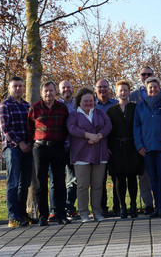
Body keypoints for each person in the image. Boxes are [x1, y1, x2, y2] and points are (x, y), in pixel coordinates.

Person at [27, 81, 70, 226]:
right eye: (46, 91)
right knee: (40, 183)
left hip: (58, 147)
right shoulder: (34, 108)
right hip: (40, 148)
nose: (48, 94)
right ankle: (43, 216)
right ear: (41, 93)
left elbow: (66, 128)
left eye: (51, 91)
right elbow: (29, 129)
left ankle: (61, 214)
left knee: (59, 182)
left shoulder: (62, 108)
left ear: (55, 92)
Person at [67, 87, 112, 222]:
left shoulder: (99, 113)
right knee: (82, 185)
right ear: (79, 101)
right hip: (81, 154)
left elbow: (108, 125)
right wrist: (88, 135)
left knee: (98, 185)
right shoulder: (74, 115)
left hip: (99, 152)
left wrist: (98, 136)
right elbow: (72, 128)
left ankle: (97, 212)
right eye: (85, 101)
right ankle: (84, 213)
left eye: (91, 100)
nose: (88, 103)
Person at [134, 77, 161, 218]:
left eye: (155, 87)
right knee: (153, 178)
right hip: (147, 149)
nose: (152, 89)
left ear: (160, 88)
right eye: (150, 87)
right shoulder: (140, 106)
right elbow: (137, 127)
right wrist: (139, 145)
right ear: (146, 89)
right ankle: (157, 207)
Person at [129, 67, 161, 215]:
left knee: (160, 175)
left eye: (149, 74)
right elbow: (136, 123)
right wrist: (139, 144)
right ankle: (148, 204)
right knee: (144, 176)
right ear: (139, 77)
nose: (146, 76)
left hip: (160, 144)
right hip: (142, 144)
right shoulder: (133, 96)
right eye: (143, 74)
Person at [0, 76, 33, 228]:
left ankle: (22, 215)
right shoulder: (4, 106)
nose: (18, 88)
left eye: (20, 86)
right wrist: (20, 143)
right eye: (15, 86)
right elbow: (5, 128)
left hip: (28, 147)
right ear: (9, 88)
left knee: (24, 183)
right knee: (13, 182)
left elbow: (32, 126)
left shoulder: (27, 106)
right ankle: (13, 217)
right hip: (12, 148)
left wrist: (29, 143)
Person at [107, 80, 144, 219]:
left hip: (133, 146)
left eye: (125, 90)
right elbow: (108, 131)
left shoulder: (136, 108)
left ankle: (133, 205)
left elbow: (140, 126)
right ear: (116, 92)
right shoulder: (111, 110)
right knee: (120, 178)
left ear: (129, 92)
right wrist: (107, 147)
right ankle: (123, 206)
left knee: (132, 176)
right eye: (120, 90)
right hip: (116, 147)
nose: (123, 93)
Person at [49, 80, 78, 221]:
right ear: (59, 90)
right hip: (58, 146)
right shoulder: (55, 105)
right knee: (56, 180)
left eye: (68, 87)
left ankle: (69, 207)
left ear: (72, 89)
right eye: (63, 88)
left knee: (74, 179)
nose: (66, 89)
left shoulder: (78, 104)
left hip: (75, 147)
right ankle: (55, 209)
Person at [94, 79, 119, 216]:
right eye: (100, 87)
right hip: (98, 147)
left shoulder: (116, 104)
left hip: (115, 147)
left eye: (105, 87)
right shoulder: (91, 105)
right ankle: (102, 208)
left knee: (116, 178)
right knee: (99, 180)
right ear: (95, 89)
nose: (102, 89)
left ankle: (117, 206)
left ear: (109, 88)